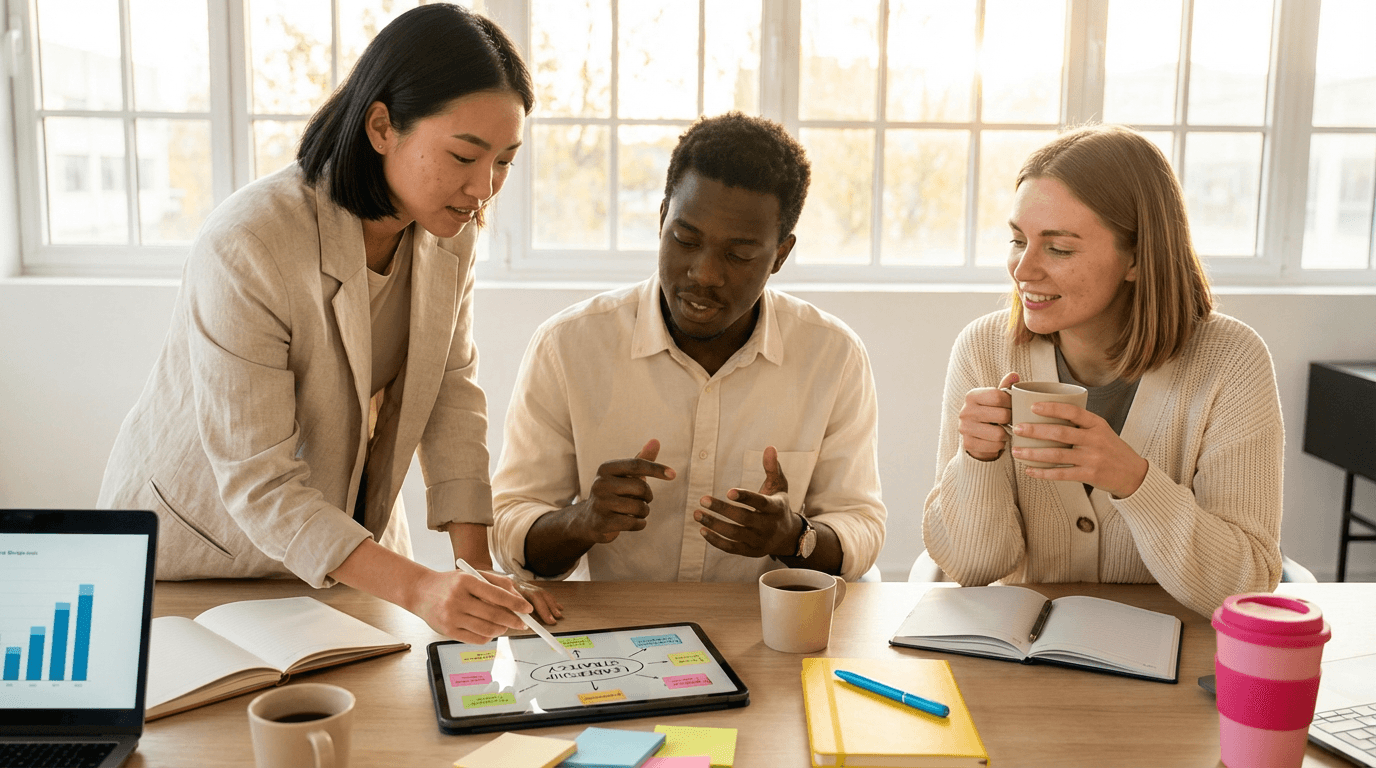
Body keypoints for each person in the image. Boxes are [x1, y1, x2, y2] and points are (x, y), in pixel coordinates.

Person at [98, 4, 559, 644]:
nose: (484, 188)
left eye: (505, 161)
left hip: (344, 556)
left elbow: (450, 390)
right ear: (381, 126)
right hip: (198, 559)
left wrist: (473, 568)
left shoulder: (449, 232)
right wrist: (421, 587)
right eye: (463, 156)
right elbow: (259, 480)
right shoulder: (250, 242)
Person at [490, 113, 886, 583]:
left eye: (738, 255)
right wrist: (583, 521)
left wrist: (793, 537)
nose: (705, 273)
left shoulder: (832, 356)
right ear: (661, 220)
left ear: (780, 254)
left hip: (762, 632)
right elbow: (510, 525)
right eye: (685, 239)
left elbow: (860, 525)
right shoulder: (569, 347)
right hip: (615, 637)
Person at [921, 124, 1283, 617]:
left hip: (1175, 660)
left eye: (1059, 248)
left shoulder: (1231, 362)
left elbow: (1248, 589)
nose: (1023, 270)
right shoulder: (985, 350)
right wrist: (978, 462)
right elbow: (974, 566)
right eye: (1017, 240)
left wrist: (1133, 480)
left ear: (1136, 257)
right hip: (1022, 662)